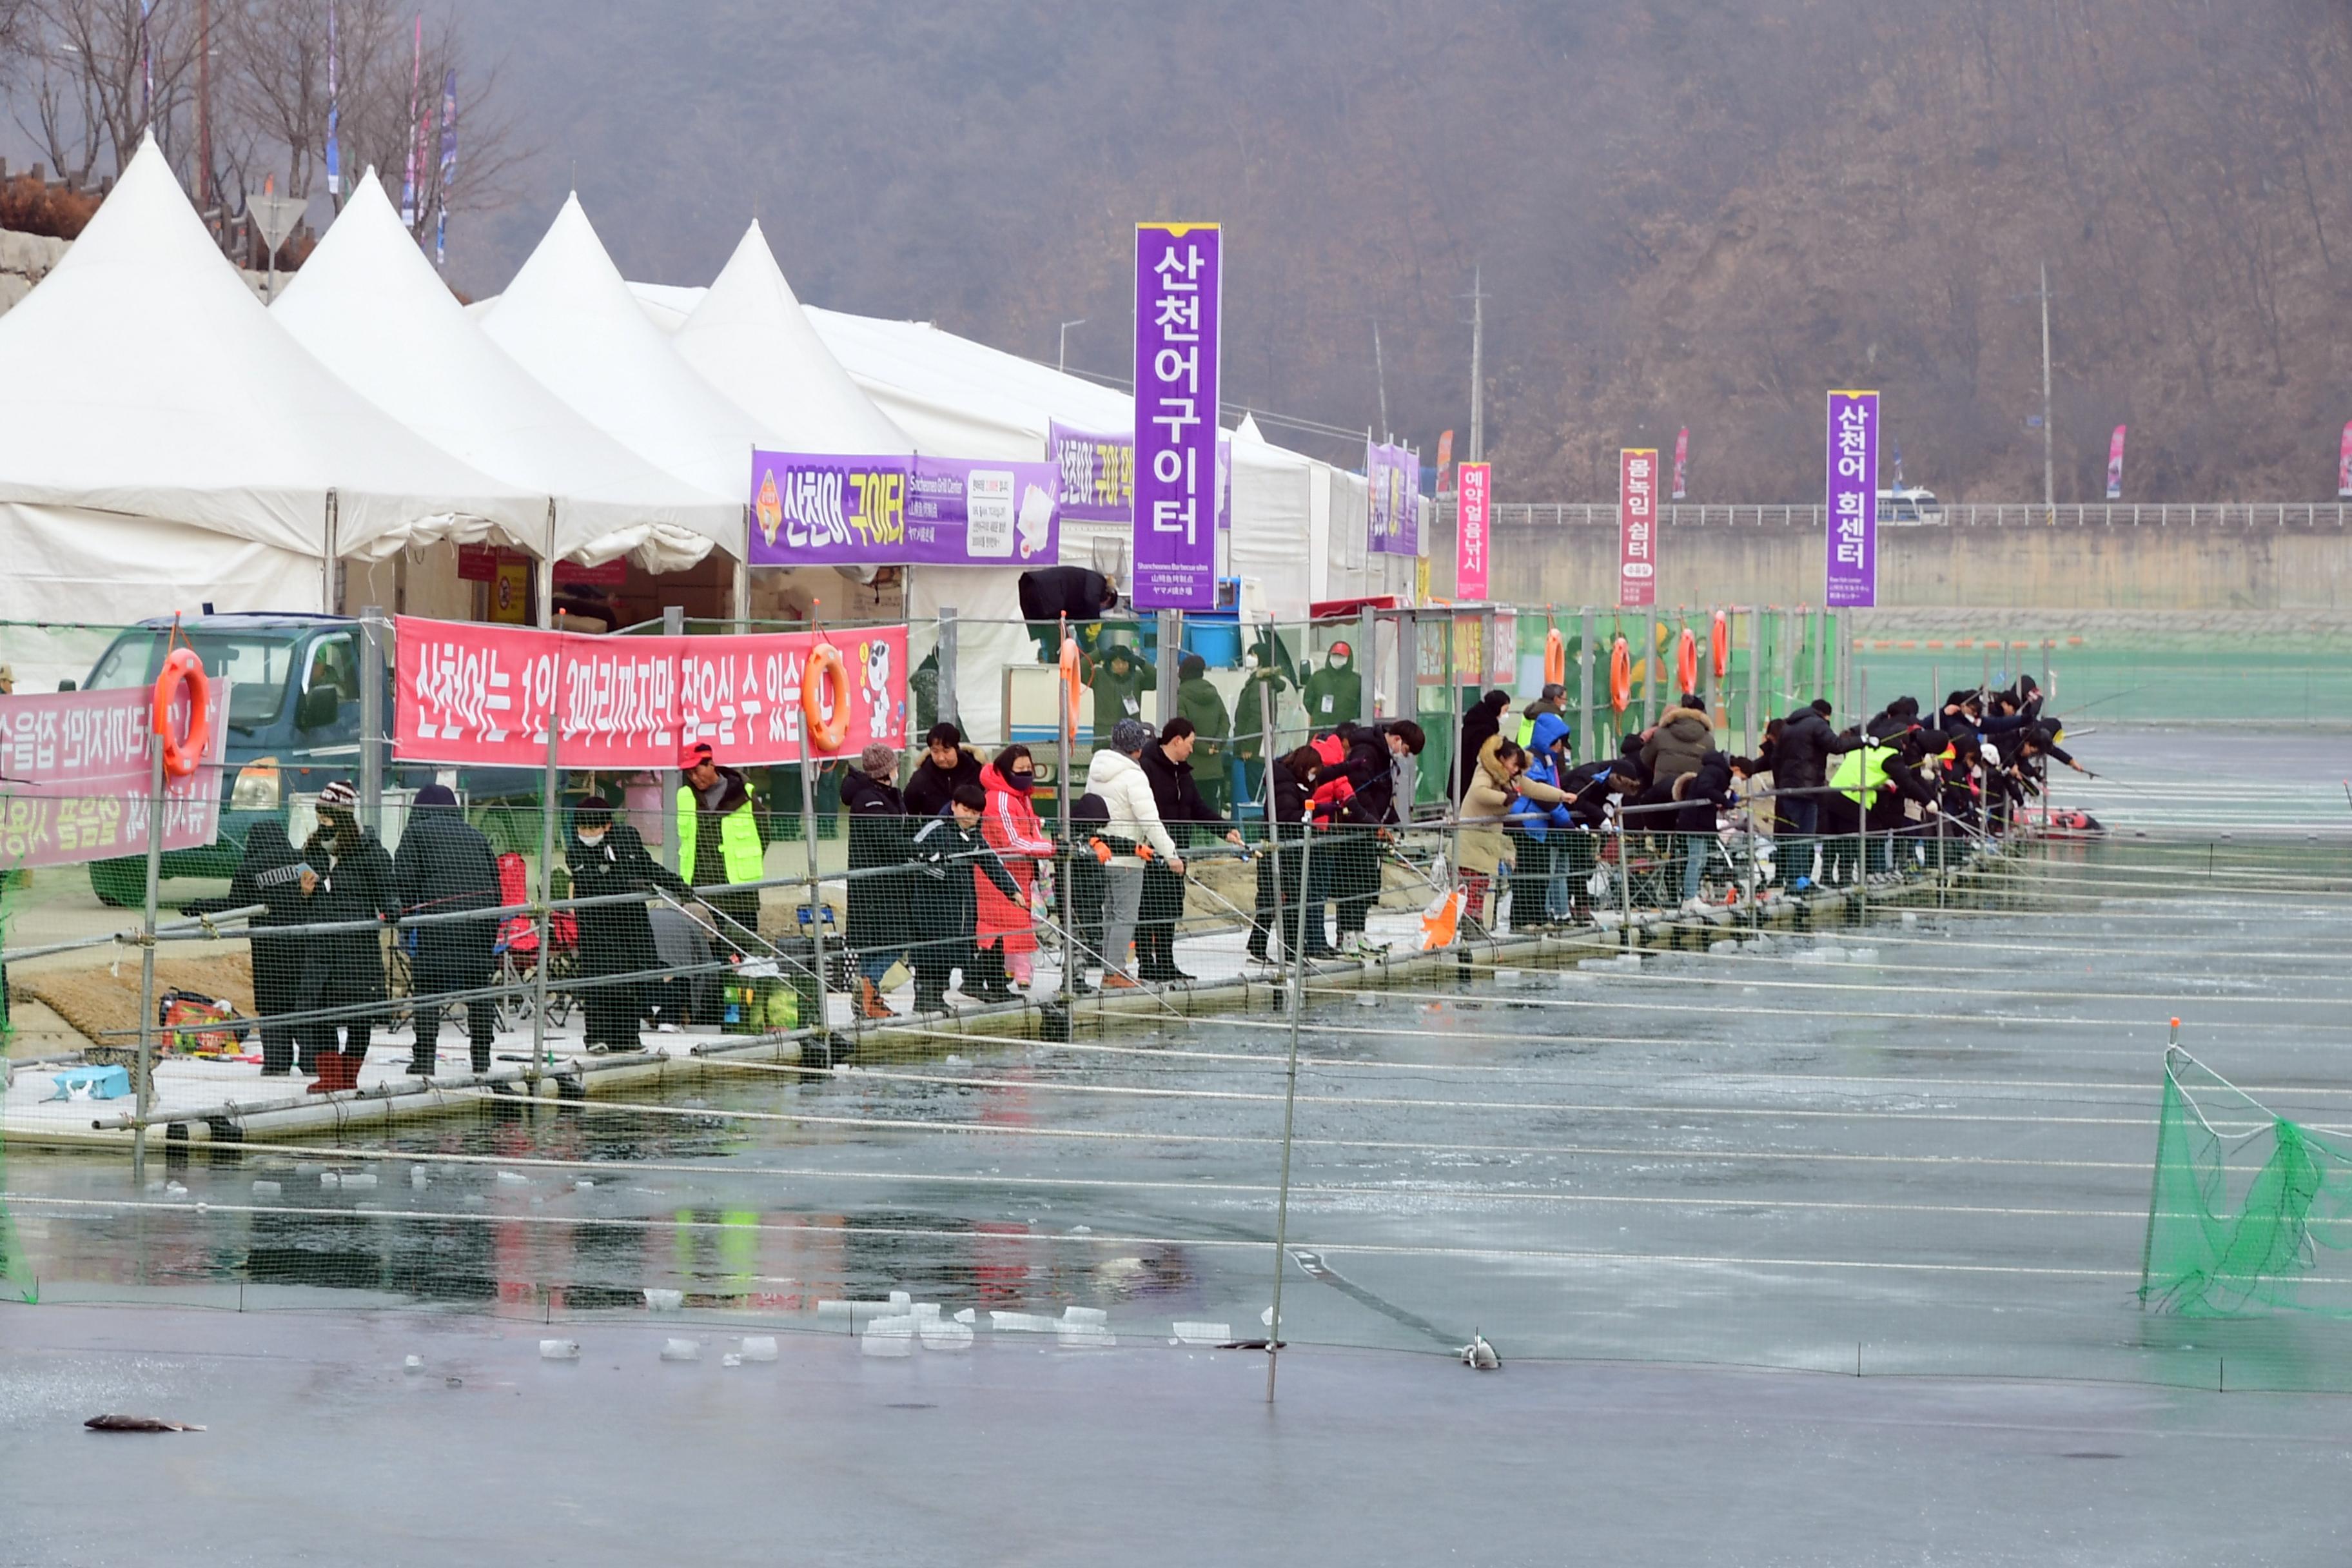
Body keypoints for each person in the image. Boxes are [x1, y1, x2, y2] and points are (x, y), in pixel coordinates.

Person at [567, 796, 693, 1054]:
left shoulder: (628, 839)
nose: (587, 834)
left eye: (592, 829)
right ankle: (597, 1036)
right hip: (596, 927)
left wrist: (677, 884)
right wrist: (628, 883)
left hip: (630, 925)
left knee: (630, 980)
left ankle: (627, 1037)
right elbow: (592, 884)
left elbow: (647, 867)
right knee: (599, 980)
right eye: (582, 829)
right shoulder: (576, 852)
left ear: (607, 826)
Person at [393, 784, 502, 1076]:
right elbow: (496, 886)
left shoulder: (416, 834)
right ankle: (482, 1059)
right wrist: (489, 933)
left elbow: (403, 882)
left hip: (436, 928)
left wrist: (401, 915)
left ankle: (425, 1059)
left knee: (428, 994)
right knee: (480, 995)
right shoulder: (477, 836)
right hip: (478, 928)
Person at [186, 821, 310, 1075]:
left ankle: (277, 1064)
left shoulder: (249, 869)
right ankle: (313, 1062)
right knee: (305, 1004)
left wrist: (198, 907)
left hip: (269, 951)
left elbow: (235, 905)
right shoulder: (302, 861)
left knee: (272, 1005)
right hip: (306, 947)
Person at [295, 781, 396, 1093]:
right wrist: (305, 892)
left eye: (328, 817)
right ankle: (329, 1076)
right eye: (319, 816)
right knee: (321, 1012)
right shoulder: (311, 850)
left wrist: (392, 909)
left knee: (358, 1015)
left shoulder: (371, 852)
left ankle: (348, 1076)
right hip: (321, 946)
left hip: (357, 950)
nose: (322, 823)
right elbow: (303, 897)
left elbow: (388, 895)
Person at [1137, 718, 1245, 983]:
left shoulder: (1182, 772)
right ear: (1177, 740)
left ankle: (1166, 961)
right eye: (1190, 743)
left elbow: (1198, 807)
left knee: (1172, 906)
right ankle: (1146, 963)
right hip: (1152, 851)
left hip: (1179, 852)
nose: (1191, 749)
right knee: (1148, 909)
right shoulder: (1147, 768)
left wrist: (1225, 829)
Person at [1081, 718, 1181, 988]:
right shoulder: (1134, 776)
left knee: (1110, 914)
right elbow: (1150, 820)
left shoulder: (1098, 769)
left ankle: (1109, 969)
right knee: (1125, 915)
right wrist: (1171, 855)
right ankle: (1115, 971)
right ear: (1138, 748)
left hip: (1102, 853)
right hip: (1129, 856)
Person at [908, 783, 1023, 1010]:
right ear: (954, 807)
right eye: (966, 810)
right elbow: (912, 854)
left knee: (950, 954)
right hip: (932, 907)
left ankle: (936, 997)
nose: (970, 817)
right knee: (930, 954)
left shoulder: (975, 837)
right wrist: (936, 866)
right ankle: (924, 998)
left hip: (961, 909)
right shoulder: (936, 828)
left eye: (976, 813)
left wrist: (1012, 890)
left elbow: (992, 863)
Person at [1324, 719, 1427, 954]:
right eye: (1407, 750)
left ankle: (1359, 932)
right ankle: (1346, 934)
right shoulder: (1368, 752)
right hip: (1356, 827)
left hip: (1371, 828)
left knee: (1367, 882)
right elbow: (1360, 791)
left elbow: (1383, 794)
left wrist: (1391, 823)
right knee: (1351, 882)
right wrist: (1374, 823)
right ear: (1398, 739)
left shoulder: (1384, 757)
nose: (1404, 755)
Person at [973, 745, 1055, 1001]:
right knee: (995, 932)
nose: (1025, 774)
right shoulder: (1000, 799)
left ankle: (997, 983)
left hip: (1018, 874)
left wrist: (1043, 847)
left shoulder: (1021, 796)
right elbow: (1013, 841)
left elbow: (1030, 832)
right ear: (1005, 770)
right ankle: (993, 985)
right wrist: (1050, 848)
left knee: (1007, 930)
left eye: (1028, 769)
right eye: (1019, 770)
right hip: (998, 874)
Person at [839, 743, 911, 1019]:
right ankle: (868, 985)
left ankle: (869, 1000)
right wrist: (917, 849)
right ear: (886, 769)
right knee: (894, 941)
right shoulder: (869, 800)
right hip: (876, 884)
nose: (896, 770)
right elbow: (887, 839)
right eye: (894, 765)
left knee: (876, 942)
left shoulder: (888, 794)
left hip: (889, 880)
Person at [1248, 745, 1335, 963]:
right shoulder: (1286, 787)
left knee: (1285, 899)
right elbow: (1288, 816)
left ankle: (1283, 949)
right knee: (1278, 899)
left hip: (1289, 851)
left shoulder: (1293, 783)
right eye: (1313, 770)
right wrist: (1318, 810)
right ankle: (1276, 950)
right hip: (1280, 852)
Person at [677, 741, 764, 951]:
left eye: (697, 771)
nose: (695, 778)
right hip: (700, 889)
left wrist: (743, 861)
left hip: (739, 891)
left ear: (711, 764)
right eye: (689, 774)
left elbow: (763, 834)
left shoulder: (744, 792)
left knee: (743, 952)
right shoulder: (685, 796)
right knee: (705, 951)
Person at [1771, 700, 1862, 892]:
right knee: (1804, 839)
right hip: (1807, 790)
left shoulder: (1788, 727)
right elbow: (1836, 745)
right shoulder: (1817, 724)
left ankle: (1796, 881)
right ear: (1826, 715)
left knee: (1796, 837)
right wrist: (1863, 741)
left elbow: (1776, 759)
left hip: (1788, 790)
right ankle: (1799, 883)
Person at [1231, 631, 1297, 808]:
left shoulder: (1259, 685)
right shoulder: (1265, 682)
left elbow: (1257, 717)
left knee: (1257, 796)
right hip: (1262, 748)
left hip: (1255, 751)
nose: (1249, 659)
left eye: (1252, 655)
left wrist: (1247, 746)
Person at [1175, 653, 1233, 817]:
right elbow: (1225, 722)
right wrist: (1216, 745)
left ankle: (1194, 840)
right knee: (1211, 807)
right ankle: (1212, 839)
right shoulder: (1214, 695)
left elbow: (1183, 728)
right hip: (1214, 765)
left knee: (1188, 806)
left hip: (1189, 764)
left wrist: (1200, 748)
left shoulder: (1180, 697)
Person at [904, 722, 985, 819]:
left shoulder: (976, 771)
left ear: (956, 748)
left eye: (946, 751)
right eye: (935, 751)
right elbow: (910, 813)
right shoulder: (921, 778)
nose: (941, 758)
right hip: (935, 831)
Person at [1084, 643, 1155, 743]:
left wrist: (1142, 663)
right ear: (1109, 663)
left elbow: (1157, 680)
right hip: (1104, 734)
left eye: (1125, 662)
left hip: (1131, 735)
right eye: (1117, 663)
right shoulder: (1099, 676)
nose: (1121, 666)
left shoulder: (1137, 678)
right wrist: (1099, 654)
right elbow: (1080, 669)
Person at [1458, 689, 1511, 803]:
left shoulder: (1475, 723)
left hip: (1461, 784)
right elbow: (1485, 761)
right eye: (1505, 710)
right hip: (1470, 787)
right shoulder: (1483, 731)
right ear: (1496, 708)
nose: (1506, 715)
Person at [1300, 640, 1362, 729]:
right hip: (1320, 731)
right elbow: (1308, 702)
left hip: (1346, 734)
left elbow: (1362, 708)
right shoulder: (1317, 677)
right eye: (1335, 655)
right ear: (1329, 656)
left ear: (1348, 658)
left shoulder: (1357, 681)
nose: (1337, 658)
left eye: (1341, 656)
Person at [1515, 683, 1569, 748]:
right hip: (1538, 755)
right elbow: (1554, 745)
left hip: (1522, 753)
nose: (1565, 702)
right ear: (1556, 699)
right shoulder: (1555, 718)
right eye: (1565, 699)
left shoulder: (1529, 712)